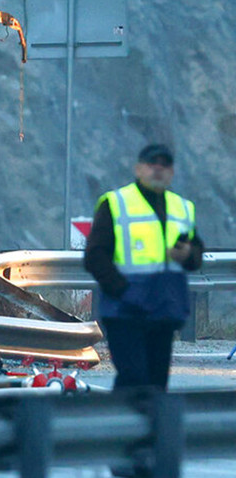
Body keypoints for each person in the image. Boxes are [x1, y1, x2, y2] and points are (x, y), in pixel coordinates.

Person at [84, 143, 203, 391]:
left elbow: (196, 254)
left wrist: (187, 254)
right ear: (138, 169)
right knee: (134, 378)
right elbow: (95, 256)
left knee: (157, 383)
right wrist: (124, 291)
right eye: (152, 164)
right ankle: (118, 426)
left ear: (172, 172)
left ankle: (150, 429)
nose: (158, 169)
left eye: (165, 164)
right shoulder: (116, 203)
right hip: (125, 312)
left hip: (164, 311)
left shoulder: (182, 207)